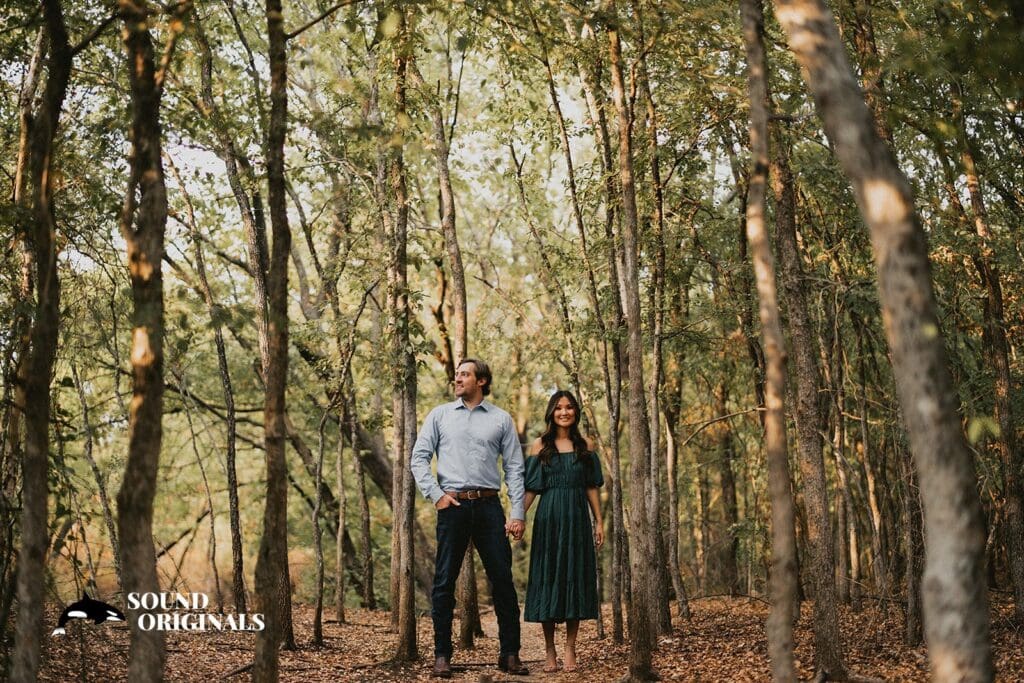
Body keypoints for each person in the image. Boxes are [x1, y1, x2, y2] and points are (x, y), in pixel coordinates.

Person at [410, 358, 529, 678]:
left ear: (482, 381)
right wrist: (436, 495)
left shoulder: (501, 419)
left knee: (502, 581)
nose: (458, 379)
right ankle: (442, 656)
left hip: (490, 507)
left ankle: (510, 654)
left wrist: (517, 513)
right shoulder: (440, 415)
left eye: (464, 374)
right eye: (457, 374)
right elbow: (419, 458)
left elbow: (514, 468)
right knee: (443, 582)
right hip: (453, 507)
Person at [523, 390, 604, 673]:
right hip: (549, 519)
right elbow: (531, 488)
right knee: (548, 577)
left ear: (576, 412)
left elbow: (591, 486)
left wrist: (599, 521)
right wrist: (517, 517)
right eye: (558, 408)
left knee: (574, 576)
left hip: (577, 518)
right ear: (551, 412)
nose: (564, 412)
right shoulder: (539, 445)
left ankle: (570, 647)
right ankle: (550, 650)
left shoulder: (586, 445)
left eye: (569, 407)